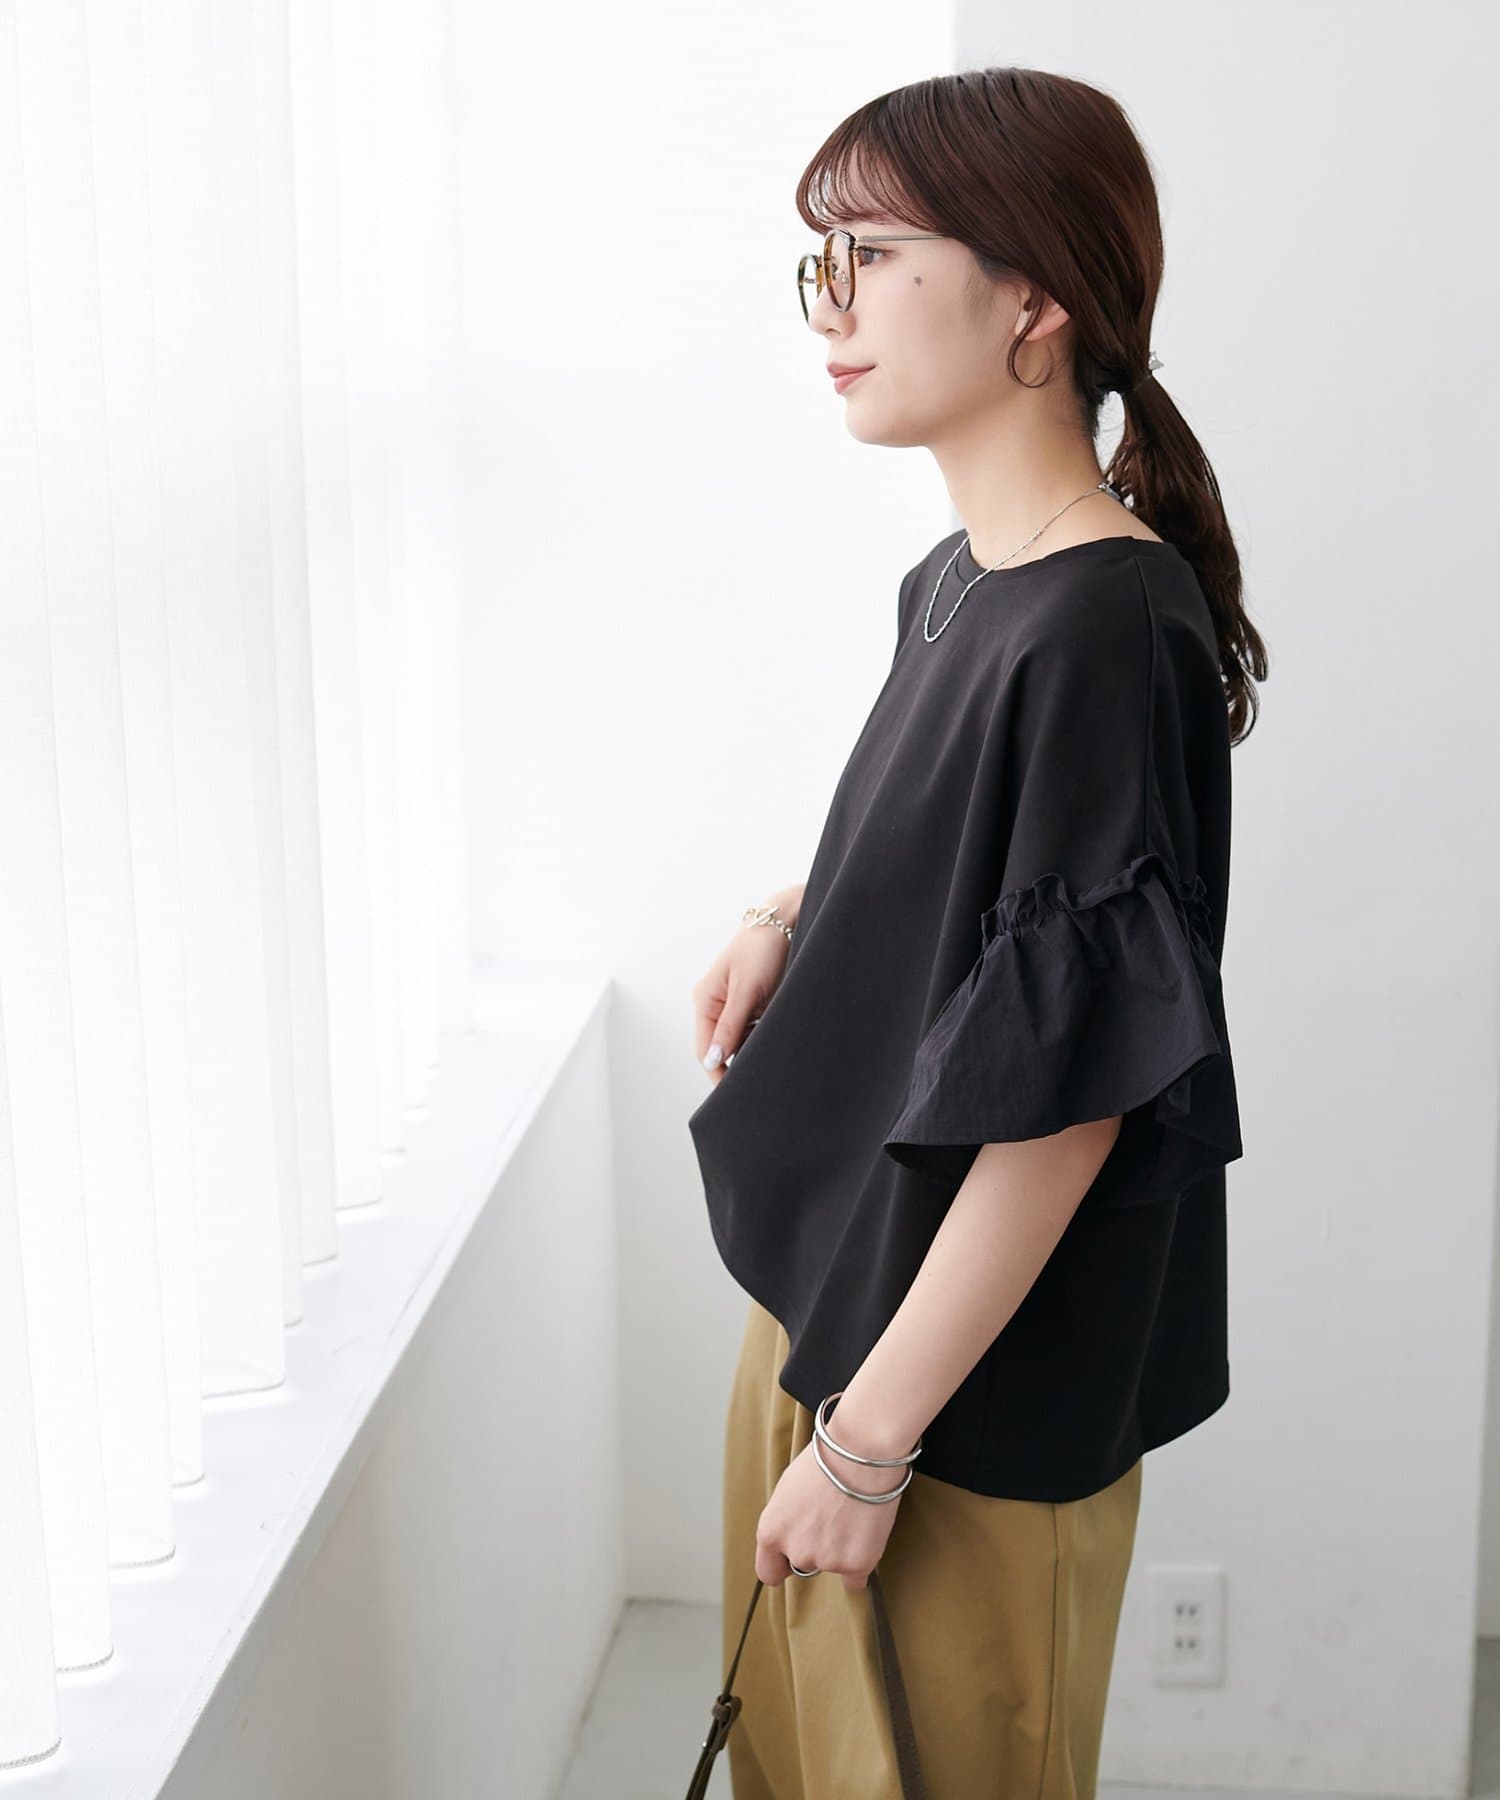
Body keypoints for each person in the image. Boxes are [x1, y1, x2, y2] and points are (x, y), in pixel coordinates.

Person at [688, 64, 1268, 1799]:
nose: (831, 306)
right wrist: (792, 909)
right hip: (836, 1303)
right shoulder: (958, 585)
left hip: (956, 1400)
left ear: (1034, 301)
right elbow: (995, 880)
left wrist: (869, 1446)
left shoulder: (1106, 626)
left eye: (871, 255)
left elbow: (1069, 1099)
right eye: (822, 262)